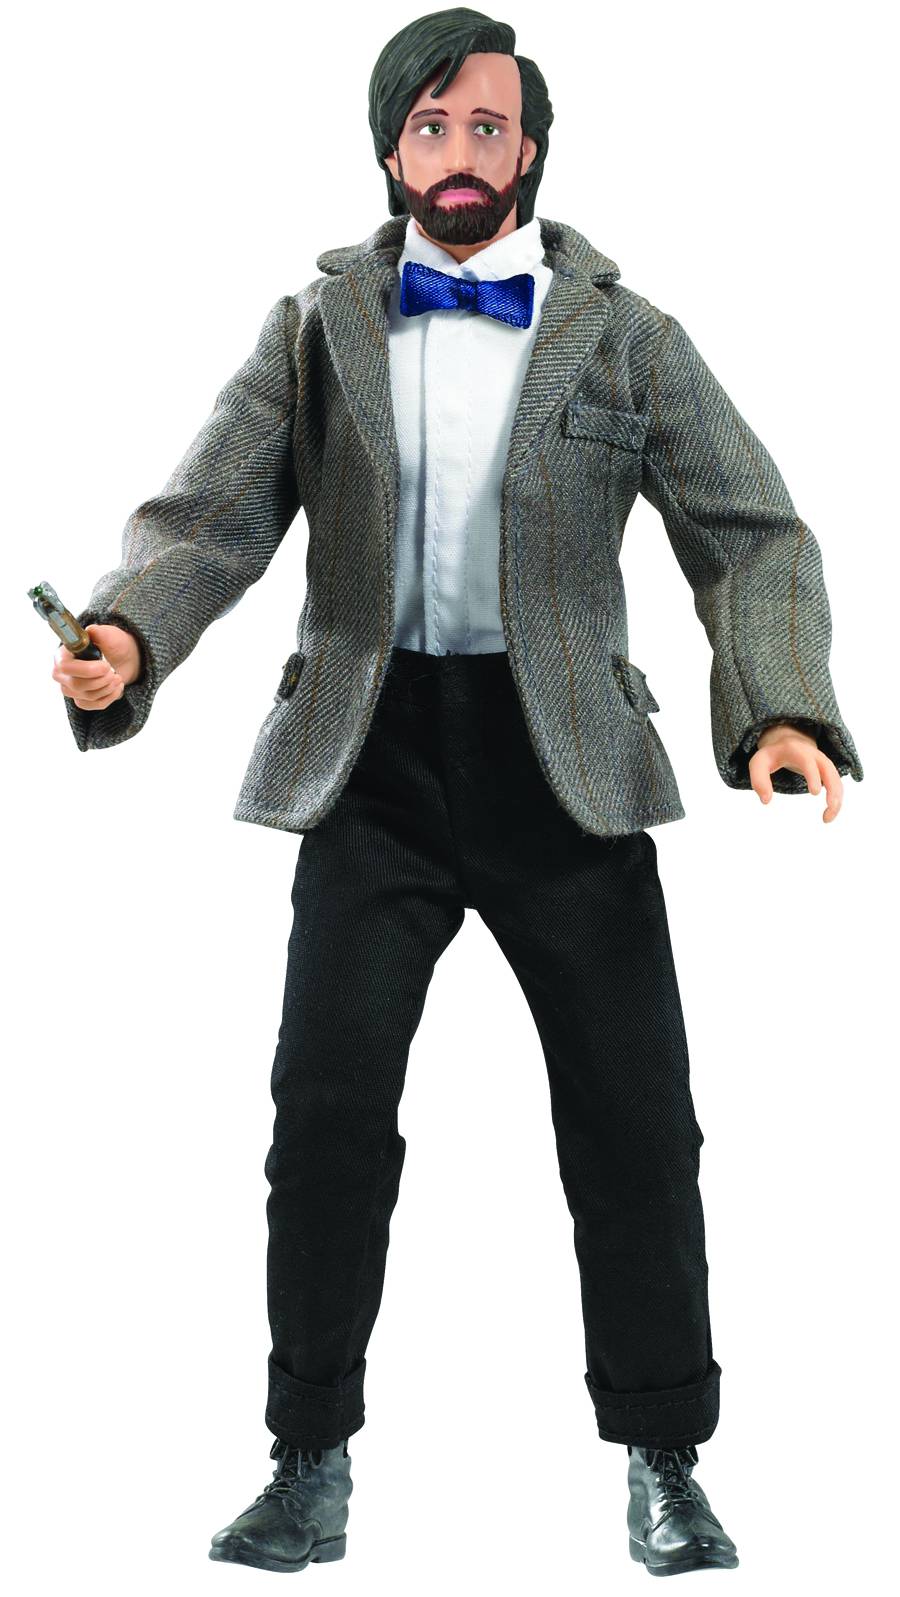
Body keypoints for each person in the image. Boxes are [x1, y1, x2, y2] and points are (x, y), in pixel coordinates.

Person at [51, 7, 862, 1578]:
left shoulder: (624, 333)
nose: (461, 153)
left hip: (567, 762)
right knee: (325, 1112)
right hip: (372, 756)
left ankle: (665, 1456)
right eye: (432, 127)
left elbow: (750, 529)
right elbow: (211, 512)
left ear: (530, 148)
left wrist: (778, 708)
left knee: (635, 1118)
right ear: (390, 150)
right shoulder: (319, 325)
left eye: (488, 125)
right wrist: (129, 634)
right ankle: (307, 1458)